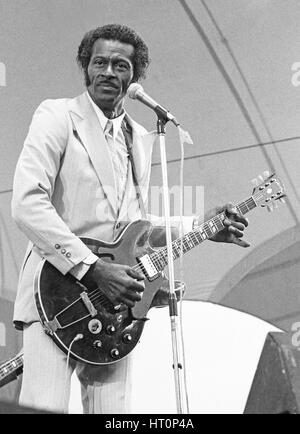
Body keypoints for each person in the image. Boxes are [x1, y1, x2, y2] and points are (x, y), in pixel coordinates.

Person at [11, 23, 249, 414]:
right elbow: (27, 204)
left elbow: (134, 226)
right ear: (85, 67)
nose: (108, 72)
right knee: (44, 407)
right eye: (99, 62)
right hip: (54, 290)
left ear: (134, 76)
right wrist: (90, 268)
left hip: (115, 304)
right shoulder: (56, 116)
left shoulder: (139, 137)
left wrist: (199, 227)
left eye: (120, 65)